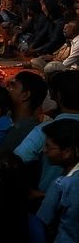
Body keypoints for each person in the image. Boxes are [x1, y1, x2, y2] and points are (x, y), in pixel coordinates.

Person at [14, 71, 79, 204]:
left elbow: (16, 159)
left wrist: (37, 193)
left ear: (58, 96)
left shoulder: (44, 130)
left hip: (47, 201)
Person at [1, 70, 48, 151]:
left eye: (12, 86)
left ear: (25, 95)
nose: (7, 89)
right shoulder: (10, 121)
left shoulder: (25, 132)